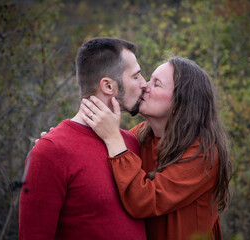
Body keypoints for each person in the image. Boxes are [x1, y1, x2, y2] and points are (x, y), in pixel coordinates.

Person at [81, 57, 233, 240]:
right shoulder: (143, 135)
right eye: (149, 79)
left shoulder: (202, 154)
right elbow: (101, 159)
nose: (144, 85)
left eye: (157, 84)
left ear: (180, 103)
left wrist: (113, 137)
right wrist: (66, 142)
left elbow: (144, 201)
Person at [19, 37, 147, 240]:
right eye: (136, 76)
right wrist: (47, 149)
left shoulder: (131, 143)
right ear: (108, 86)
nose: (144, 84)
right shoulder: (50, 151)